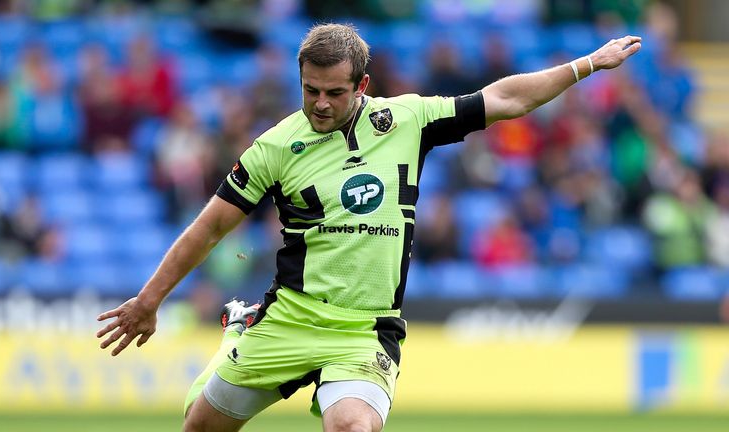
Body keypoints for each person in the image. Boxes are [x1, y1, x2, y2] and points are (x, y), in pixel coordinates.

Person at [97, 24, 641, 432]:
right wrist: (149, 300)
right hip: (290, 316)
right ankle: (238, 335)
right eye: (310, 90)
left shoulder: (406, 120)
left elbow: (504, 99)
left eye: (335, 92)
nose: (321, 104)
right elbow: (210, 228)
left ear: (363, 85)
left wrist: (588, 64)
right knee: (199, 427)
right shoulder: (274, 147)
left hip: (364, 328)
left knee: (353, 428)